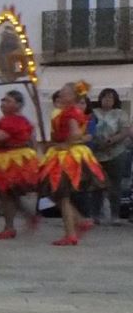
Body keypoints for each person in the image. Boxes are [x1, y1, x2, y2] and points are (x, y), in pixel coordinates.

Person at [39, 83, 104, 246]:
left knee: (62, 195)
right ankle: (79, 222)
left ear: (74, 97)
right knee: (60, 194)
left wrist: (65, 145)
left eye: (64, 93)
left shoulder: (69, 113)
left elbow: (75, 133)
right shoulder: (73, 112)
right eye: (60, 93)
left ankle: (71, 232)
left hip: (67, 156)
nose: (61, 96)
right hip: (71, 153)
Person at [0, 91, 39, 239]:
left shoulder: (12, 121)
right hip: (9, 158)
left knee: (6, 193)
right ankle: (22, 220)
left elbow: (0, 136)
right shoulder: (19, 120)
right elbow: (33, 141)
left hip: (11, 161)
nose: (3, 104)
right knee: (8, 194)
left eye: (8, 101)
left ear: (18, 104)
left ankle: (11, 226)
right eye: (3, 101)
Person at [88, 88, 129, 224]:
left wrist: (112, 140)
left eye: (110, 98)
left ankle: (115, 215)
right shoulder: (93, 113)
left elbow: (125, 131)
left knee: (115, 185)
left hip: (116, 152)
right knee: (96, 185)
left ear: (115, 100)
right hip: (96, 153)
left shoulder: (120, 114)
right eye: (105, 97)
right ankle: (95, 215)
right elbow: (88, 128)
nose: (107, 100)